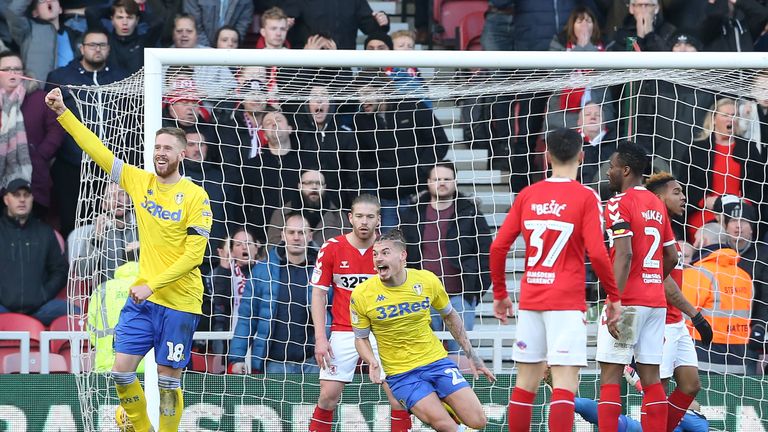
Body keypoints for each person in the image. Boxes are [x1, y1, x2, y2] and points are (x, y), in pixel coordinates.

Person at [46, 87, 213, 431]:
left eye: (167, 148)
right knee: (121, 370)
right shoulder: (140, 182)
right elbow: (97, 150)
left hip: (180, 302)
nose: (160, 153)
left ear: (182, 153)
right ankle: (140, 427)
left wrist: (151, 284)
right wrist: (63, 112)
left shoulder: (196, 197)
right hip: (144, 300)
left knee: (168, 380)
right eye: (156, 148)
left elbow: (193, 256)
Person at [489, 128, 621, 432]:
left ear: (546, 156)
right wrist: (613, 296)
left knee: (525, 384)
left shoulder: (528, 194)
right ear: (581, 156)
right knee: (564, 385)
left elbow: (498, 247)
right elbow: (598, 255)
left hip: (532, 298)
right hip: (566, 301)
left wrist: (500, 293)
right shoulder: (586, 196)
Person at [351, 229, 494, 432]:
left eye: (385, 253)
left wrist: (471, 354)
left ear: (402, 255)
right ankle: (438, 411)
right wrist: (372, 361)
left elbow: (450, 315)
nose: (378, 259)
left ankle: (442, 403)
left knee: (478, 421)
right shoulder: (362, 294)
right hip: (401, 374)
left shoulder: (426, 280)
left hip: (435, 361)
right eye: (375, 254)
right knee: (445, 425)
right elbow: (360, 339)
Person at [308, 194, 412, 432]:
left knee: (398, 398)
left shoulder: (388, 251)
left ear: (379, 219)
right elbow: (318, 294)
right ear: (350, 218)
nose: (364, 222)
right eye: (359, 216)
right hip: (345, 330)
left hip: (383, 331)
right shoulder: (332, 248)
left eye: (370, 216)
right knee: (328, 396)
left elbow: (403, 291)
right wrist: (320, 339)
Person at [596, 141, 678, 432]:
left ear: (626, 170)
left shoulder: (619, 202)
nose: (608, 172)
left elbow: (626, 252)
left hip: (628, 303)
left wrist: (614, 301)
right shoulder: (657, 203)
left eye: (612, 167)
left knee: (610, 375)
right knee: (652, 378)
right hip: (655, 302)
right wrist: (653, 278)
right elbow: (672, 256)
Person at [399, 161, 491, 365]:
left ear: (455, 182)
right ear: (428, 182)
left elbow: (486, 251)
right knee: (423, 354)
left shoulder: (470, 212)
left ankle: (462, 395)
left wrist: (475, 289)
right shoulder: (412, 213)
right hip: (421, 296)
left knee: (462, 352)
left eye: (447, 179)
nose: (441, 183)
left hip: (459, 296)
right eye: (437, 179)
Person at [645, 171, 714, 431]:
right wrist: (695, 315)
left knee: (690, 385)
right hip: (661, 322)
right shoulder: (653, 229)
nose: (683, 197)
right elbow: (661, 280)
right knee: (658, 391)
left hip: (676, 322)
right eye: (676, 192)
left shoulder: (668, 228)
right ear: (658, 197)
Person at [45, 28, 127, 238]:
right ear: (81, 48)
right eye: (92, 45)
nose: (97, 49)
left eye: (102, 45)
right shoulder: (61, 77)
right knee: (72, 225)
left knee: (111, 226)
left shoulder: (121, 77)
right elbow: (50, 120)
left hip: (110, 167)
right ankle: (73, 269)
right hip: (72, 167)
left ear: (109, 49)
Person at [229, 213, 320, 374]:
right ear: (283, 235)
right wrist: (237, 358)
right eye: (291, 232)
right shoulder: (263, 271)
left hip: (314, 363)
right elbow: (247, 318)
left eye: (301, 233)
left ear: (310, 236)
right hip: (274, 365)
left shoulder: (322, 270)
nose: (296, 237)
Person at [681, 196, 756, 375]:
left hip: (701, 361)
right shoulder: (744, 276)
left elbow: (680, 316)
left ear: (703, 242)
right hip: (739, 363)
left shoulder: (697, 273)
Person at [0, 51, 66, 220]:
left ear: (24, 73)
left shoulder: (40, 98)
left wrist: (40, 154)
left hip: (33, 180)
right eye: (7, 69)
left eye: (17, 69)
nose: (13, 73)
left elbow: (57, 129)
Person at [0, 178, 69, 326]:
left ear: (32, 199)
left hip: (40, 309)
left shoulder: (45, 232)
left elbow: (60, 270)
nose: (22, 200)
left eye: (26, 195)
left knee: (74, 312)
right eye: (16, 195)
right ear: (6, 200)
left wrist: (44, 294)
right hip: (3, 308)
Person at [200, 227, 264, 354]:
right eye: (238, 244)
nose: (244, 247)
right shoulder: (223, 272)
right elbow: (220, 300)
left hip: (261, 332)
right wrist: (224, 267)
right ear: (232, 251)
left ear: (256, 248)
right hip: (230, 333)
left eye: (248, 243)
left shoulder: (265, 272)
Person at [67, 183, 139, 284]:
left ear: (130, 199)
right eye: (110, 196)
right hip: (110, 295)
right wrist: (96, 240)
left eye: (122, 194)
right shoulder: (97, 231)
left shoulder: (143, 227)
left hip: (140, 292)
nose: (117, 199)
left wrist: (142, 250)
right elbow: (82, 272)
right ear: (103, 205)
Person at [2, 0, 81, 81]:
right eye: (42, 1)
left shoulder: (75, 34)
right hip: (39, 90)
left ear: (60, 9)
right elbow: (13, 12)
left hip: (71, 89)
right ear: (35, 13)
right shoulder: (28, 30)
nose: (48, 1)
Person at [267, 170, 348, 248]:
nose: (314, 187)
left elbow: (348, 248)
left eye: (319, 183)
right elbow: (272, 248)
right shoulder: (281, 214)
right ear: (299, 186)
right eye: (308, 183)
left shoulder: (339, 217)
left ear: (325, 187)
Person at [282, 0, 390, 50]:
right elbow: (283, 23)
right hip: (307, 64)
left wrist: (382, 20)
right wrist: (286, 24)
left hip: (341, 64)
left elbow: (371, 28)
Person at [608, 0, 676, 51]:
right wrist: (639, 37)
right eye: (639, 5)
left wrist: (650, 35)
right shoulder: (623, 33)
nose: (643, 9)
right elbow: (628, 60)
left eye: (647, 5)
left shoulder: (668, 31)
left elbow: (664, 59)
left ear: (656, 8)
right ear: (631, 8)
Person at [182, 0, 252, 47]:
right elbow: (194, 25)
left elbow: (242, 25)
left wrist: (229, 44)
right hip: (200, 50)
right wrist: (209, 51)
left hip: (229, 53)